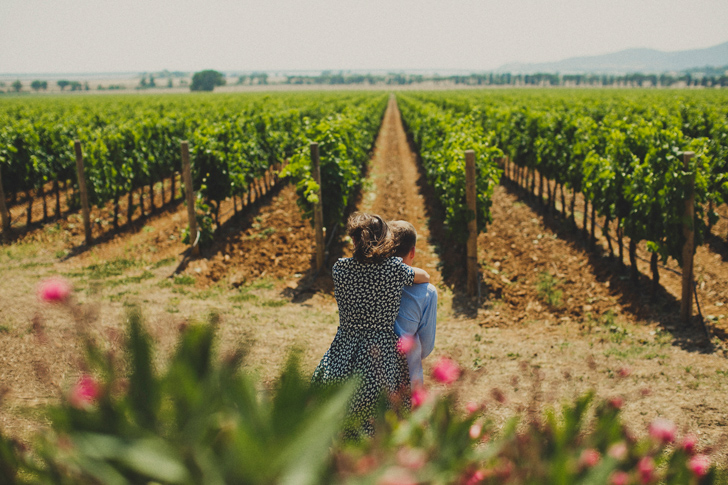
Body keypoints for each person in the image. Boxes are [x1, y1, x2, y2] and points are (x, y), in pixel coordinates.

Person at [311, 212, 430, 438]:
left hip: (344, 347)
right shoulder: (394, 269)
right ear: (385, 240)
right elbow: (424, 275)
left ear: (354, 241)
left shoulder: (340, 269)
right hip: (380, 353)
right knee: (376, 422)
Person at [389, 220, 437, 389]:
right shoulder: (427, 292)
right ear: (413, 251)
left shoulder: (370, 283)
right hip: (409, 378)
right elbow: (426, 346)